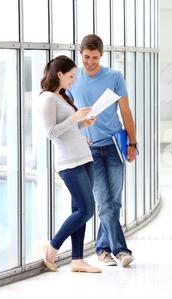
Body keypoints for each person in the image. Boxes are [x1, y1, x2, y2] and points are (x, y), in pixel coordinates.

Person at [67, 34, 137, 267]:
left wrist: (133, 144)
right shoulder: (73, 79)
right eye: (86, 57)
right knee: (104, 202)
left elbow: (126, 112)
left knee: (114, 202)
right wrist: (77, 135)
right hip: (90, 150)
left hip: (115, 145)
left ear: (102, 54)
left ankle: (102, 249)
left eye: (95, 58)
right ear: (80, 53)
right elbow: (66, 114)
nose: (90, 62)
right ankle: (122, 251)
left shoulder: (115, 77)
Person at [39, 55, 101, 273]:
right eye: (71, 76)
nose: (73, 81)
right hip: (69, 163)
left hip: (84, 158)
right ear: (59, 74)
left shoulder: (62, 96)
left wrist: (83, 123)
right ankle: (53, 247)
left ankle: (77, 260)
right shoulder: (47, 98)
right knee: (86, 210)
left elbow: (69, 129)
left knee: (78, 209)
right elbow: (51, 133)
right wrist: (75, 119)